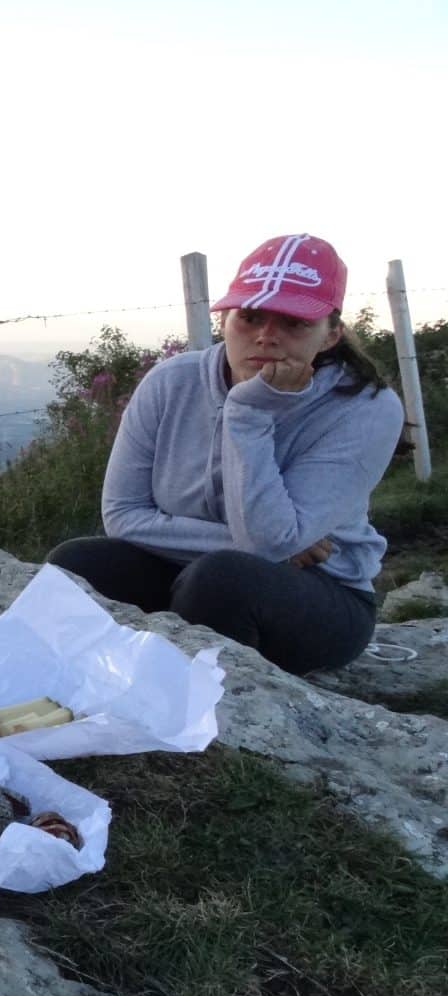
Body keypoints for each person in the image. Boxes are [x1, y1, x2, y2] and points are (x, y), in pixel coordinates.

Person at [48, 234, 404, 677]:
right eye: (250, 317)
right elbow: (122, 514)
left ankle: (216, 708)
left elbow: (267, 542)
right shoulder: (171, 383)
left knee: (221, 579)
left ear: (330, 335)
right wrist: (268, 546)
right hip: (184, 570)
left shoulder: (364, 407)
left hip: (318, 594)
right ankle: (77, 689)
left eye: (294, 323)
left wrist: (250, 412)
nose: (266, 336)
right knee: (76, 563)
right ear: (224, 321)